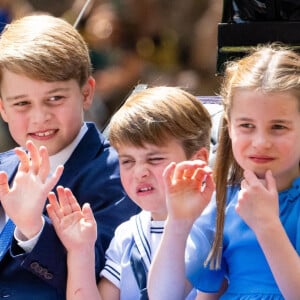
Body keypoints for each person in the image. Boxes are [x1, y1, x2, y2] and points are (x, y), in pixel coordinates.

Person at [0, 14, 140, 299]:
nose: (40, 117)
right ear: (3, 108)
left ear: (86, 93)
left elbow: (102, 279)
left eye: (55, 98)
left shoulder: (120, 174)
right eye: (22, 103)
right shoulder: (3, 168)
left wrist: (33, 228)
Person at [147, 44, 300, 299]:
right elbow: (164, 295)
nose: (261, 141)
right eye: (246, 125)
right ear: (229, 127)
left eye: (278, 127)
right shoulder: (223, 200)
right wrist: (179, 222)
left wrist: (268, 227)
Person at [45, 86, 215, 300]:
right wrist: (80, 251)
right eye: (127, 161)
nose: (140, 172)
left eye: (154, 159)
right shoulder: (128, 234)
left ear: (197, 160)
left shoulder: (215, 225)